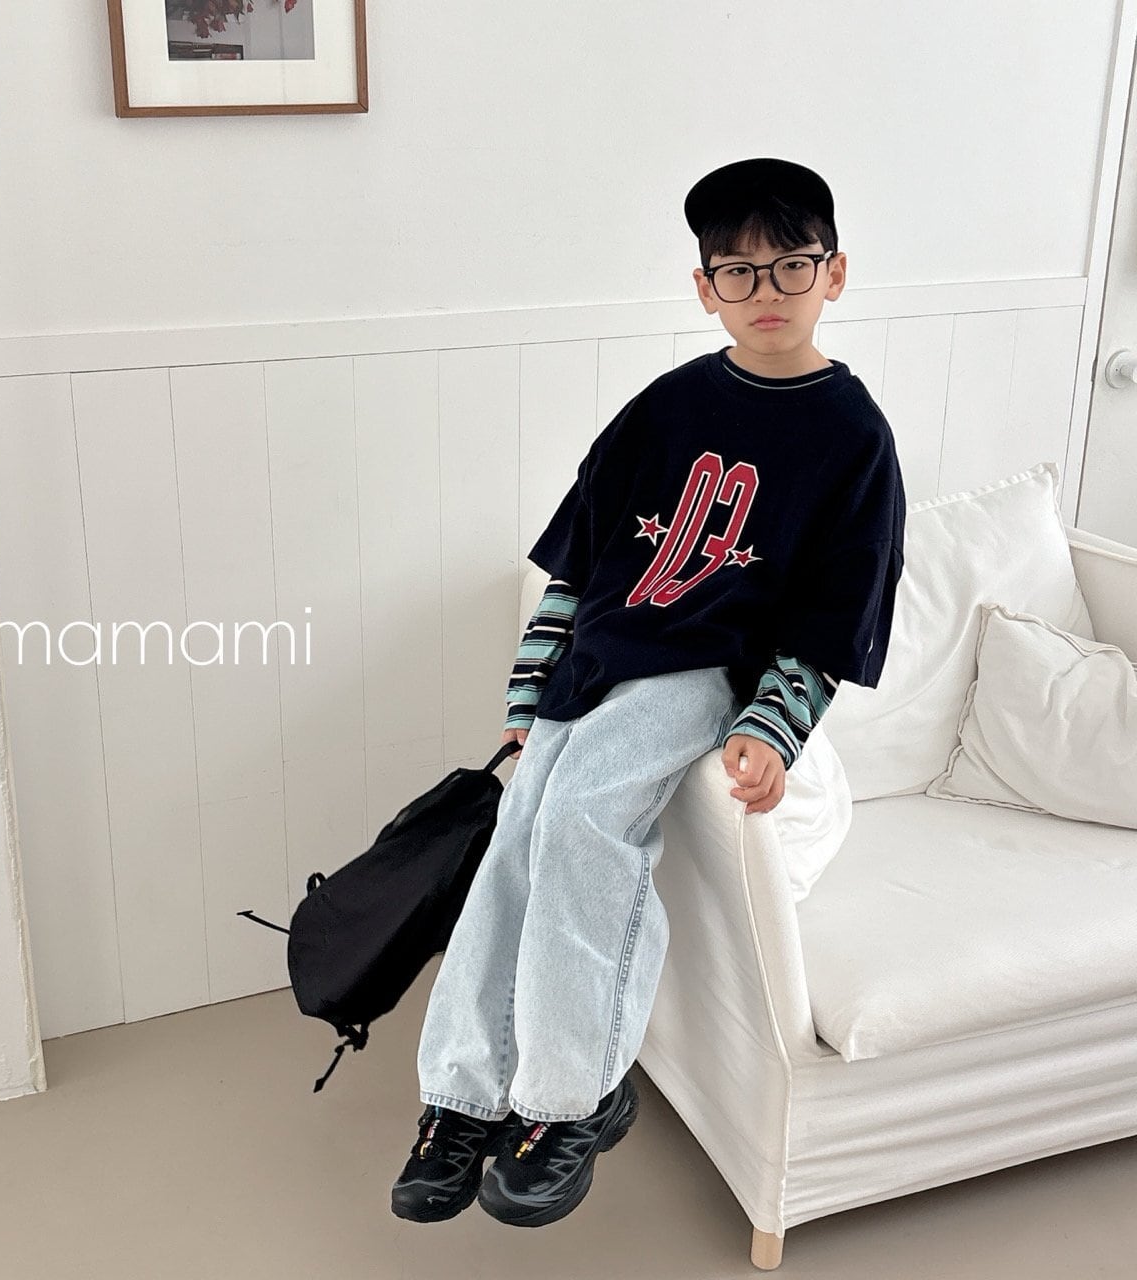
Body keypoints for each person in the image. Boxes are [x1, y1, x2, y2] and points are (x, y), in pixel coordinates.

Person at [391, 157, 907, 1229]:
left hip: (702, 671)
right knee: (520, 832)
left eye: (792, 264)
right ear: (704, 288)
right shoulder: (665, 407)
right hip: (597, 665)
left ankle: (571, 1099)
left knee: (584, 821)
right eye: (738, 271)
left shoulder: (853, 436)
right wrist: (529, 695)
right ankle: (464, 1094)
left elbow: (831, 614)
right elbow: (576, 569)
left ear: (835, 272)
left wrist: (771, 728)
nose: (766, 290)